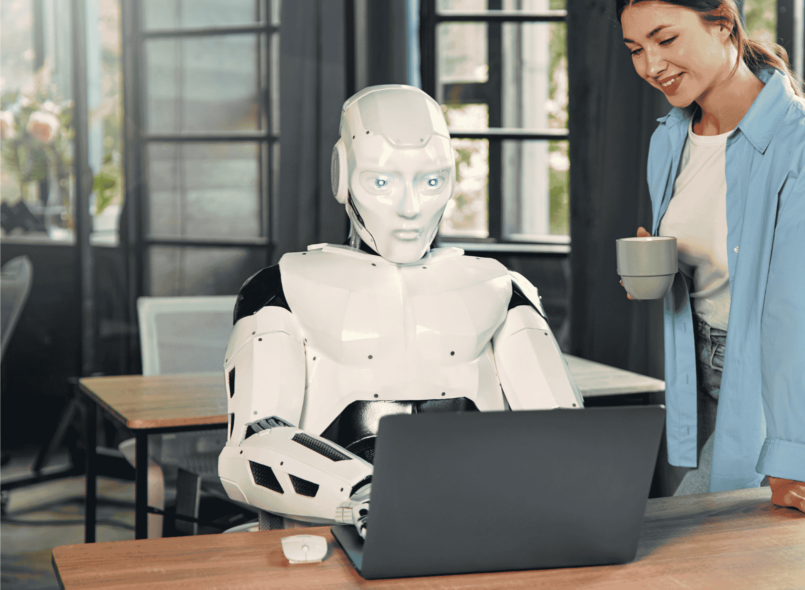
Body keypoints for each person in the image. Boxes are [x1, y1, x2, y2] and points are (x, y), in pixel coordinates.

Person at [218, 84, 583, 536]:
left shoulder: (501, 287)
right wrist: (367, 496)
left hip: (480, 524)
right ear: (343, 174)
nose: (410, 208)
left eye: (430, 182)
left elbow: (566, 434)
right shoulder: (283, 288)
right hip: (333, 528)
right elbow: (253, 443)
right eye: (382, 182)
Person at [616, 0, 805, 518]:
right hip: (697, 372)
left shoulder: (796, 139)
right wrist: (655, 264)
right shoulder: (670, 135)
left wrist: (790, 462)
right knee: (708, 551)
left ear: (722, 23)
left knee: (673, 542)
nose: (650, 64)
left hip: (760, 375)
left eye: (666, 39)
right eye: (636, 49)